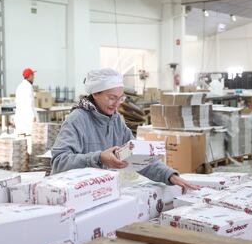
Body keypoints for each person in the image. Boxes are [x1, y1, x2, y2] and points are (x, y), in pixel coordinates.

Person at [51, 68, 199, 192]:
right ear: (95, 94)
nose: (116, 104)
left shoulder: (115, 121)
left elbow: (138, 156)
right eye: (111, 98)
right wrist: (99, 158)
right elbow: (59, 162)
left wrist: (169, 175)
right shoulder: (77, 120)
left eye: (120, 98)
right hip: (74, 195)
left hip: (102, 192)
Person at [14, 68, 38, 135]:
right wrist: (33, 115)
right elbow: (29, 102)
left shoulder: (20, 86)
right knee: (30, 138)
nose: (34, 78)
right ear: (30, 76)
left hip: (19, 117)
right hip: (28, 118)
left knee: (21, 137)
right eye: (33, 75)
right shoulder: (28, 87)